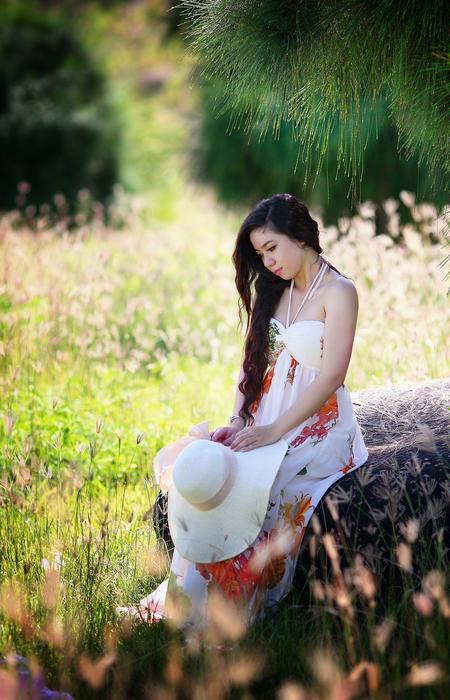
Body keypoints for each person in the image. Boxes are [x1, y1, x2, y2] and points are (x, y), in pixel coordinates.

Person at [119, 193, 368, 630]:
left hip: (318, 426)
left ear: (300, 235)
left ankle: (234, 612)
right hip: (266, 418)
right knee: (222, 469)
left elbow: (332, 377)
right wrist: (239, 421)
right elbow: (251, 363)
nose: (267, 261)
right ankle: (184, 606)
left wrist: (273, 432)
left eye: (272, 248)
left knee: (262, 486)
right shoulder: (276, 290)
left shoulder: (339, 292)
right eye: (260, 254)